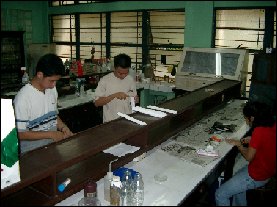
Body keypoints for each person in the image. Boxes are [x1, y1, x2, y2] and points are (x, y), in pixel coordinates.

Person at [215, 101, 276, 206]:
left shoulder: (258, 131)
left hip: (258, 174)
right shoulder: (272, 124)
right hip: (270, 169)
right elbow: (268, 139)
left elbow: (248, 157)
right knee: (236, 181)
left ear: (252, 118)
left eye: (246, 118)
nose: (246, 121)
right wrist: (253, 140)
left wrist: (239, 144)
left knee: (220, 194)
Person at [13, 53, 74, 154]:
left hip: (53, 148)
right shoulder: (23, 98)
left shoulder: (51, 89)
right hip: (33, 153)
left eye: (56, 81)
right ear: (40, 75)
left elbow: (53, 116)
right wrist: (51, 134)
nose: (54, 85)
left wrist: (63, 127)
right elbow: (19, 134)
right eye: (51, 81)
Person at [94, 53, 138, 123]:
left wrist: (135, 99)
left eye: (126, 73)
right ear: (114, 68)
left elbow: (134, 98)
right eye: (120, 73)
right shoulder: (105, 80)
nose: (123, 76)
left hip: (127, 119)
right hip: (110, 122)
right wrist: (113, 96)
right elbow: (97, 103)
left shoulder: (130, 79)